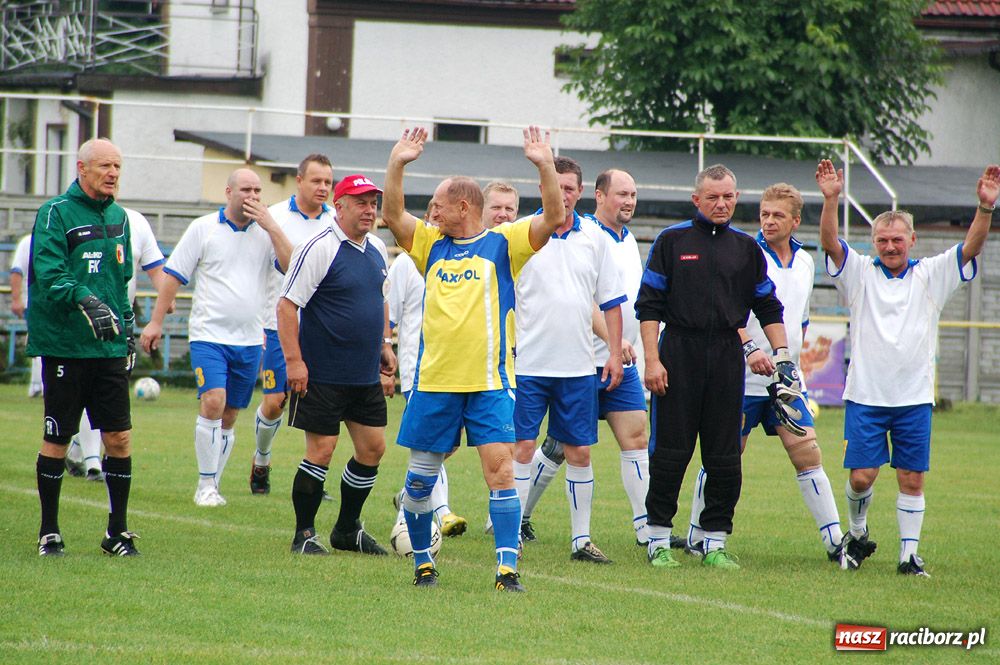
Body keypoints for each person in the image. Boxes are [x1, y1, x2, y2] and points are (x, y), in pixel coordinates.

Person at [382, 125, 564, 591]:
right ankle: (424, 564)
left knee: (500, 471)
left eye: (439, 204)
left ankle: (507, 570)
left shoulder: (505, 243)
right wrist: (398, 162)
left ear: (464, 207)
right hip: (434, 382)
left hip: (490, 383)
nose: (432, 211)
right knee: (420, 482)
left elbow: (553, 214)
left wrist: (545, 164)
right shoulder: (429, 245)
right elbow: (392, 212)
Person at [816, 159, 998, 576]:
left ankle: (908, 557)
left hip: (913, 398)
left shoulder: (931, 275)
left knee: (911, 479)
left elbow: (970, 248)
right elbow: (829, 243)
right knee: (861, 478)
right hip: (865, 395)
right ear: (873, 241)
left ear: (912, 239)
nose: (890, 246)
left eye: (897, 239)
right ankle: (858, 534)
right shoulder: (859, 273)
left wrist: (985, 209)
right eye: (882, 240)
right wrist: (831, 199)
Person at [636, 164, 798, 570]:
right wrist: (652, 360)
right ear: (697, 200)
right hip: (678, 353)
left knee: (725, 456)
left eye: (728, 196)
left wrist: (782, 355)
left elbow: (767, 306)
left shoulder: (745, 249)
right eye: (713, 197)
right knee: (671, 452)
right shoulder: (671, 242)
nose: (721, 204)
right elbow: (649, 306)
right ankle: (658, 538)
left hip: (728, 357)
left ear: (736, 197)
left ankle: (715, 542)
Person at [684, 182, 846, 564]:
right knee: (725, 457)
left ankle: (836, 542)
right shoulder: (743, 252)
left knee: (807, 453)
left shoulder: (806, 261)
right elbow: (725, 310)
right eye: (764, 214)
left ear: (794, 220)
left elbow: (800, 321)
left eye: (777, 215)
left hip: (783, 381)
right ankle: (695, 534)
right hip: (737, 377)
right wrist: (750, 348)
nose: (769, 221)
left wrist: (792, 365)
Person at [140, 168, 291, 507]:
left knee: (231, 413)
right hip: (209, 335)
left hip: (251, 339)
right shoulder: (203, 228)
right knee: (213, 401)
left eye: (257, 190)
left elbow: (290, 263)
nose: (253, 196)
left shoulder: (266, 233)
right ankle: (205, 485)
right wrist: (155, 321)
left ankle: (214, 484)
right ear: (228, 192)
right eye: (246, 190)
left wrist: (273, 226)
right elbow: (173, 277)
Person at [520, 169, 651, 547]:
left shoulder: (625, 242)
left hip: (616, 360)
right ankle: (516, 518)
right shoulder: (546, 233)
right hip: (575, 359)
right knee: (556, 446)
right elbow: (585, 300)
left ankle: (647, 531)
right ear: (598, 195)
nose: (628, 201)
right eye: (621, 194)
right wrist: (612, 340)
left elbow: (616, 299)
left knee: (633, 436)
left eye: (633, 194)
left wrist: (624, 346)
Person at [28, 138, 139, 556]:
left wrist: (127, 326)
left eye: (117, 166)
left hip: (108, 350)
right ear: (82, 168)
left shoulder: (120, 218)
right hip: (66, 346)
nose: (112, 173)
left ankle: (117, 533)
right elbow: (50, 274)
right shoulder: (55, 213)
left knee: (120, 438)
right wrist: (85, 299)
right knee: (58, 439)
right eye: (105, 166)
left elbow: (120, 279)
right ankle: (49, 531)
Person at [277, 173, 395, 556]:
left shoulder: (377, 247)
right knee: (322, 449)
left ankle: (347, 530)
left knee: (373, 449)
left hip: (363, 375)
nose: (369, 209)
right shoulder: (318, 246)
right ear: (339, 206)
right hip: (323, 373)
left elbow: (380, 299)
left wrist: (385, 344)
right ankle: (304, 535)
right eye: (360, 202)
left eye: (373, 203)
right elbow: (287, 306)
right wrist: (294, 362)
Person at [249, 154, 336, 496]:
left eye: (328, 182)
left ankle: (314, 477)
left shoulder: (335, 222)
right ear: (299, 181)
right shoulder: (277, 217)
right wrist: (271, 226)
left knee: (320, 407)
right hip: (278, 324)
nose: (323, 188)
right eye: (316, 181)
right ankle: (261, 460)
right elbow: (289, 266)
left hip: (322, 330)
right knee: (275, 402)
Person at [66, 205, 171, 481]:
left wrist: (166, 295)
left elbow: (156, 267)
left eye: (115, 169)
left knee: (108, 396)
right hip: (81, 321)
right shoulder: (71, 217)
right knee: (89, 391)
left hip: (120, 324)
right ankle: (92, 463)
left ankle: (79, 451)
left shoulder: (135, 221)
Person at [8, 233, 43, 397]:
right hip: (35, 302)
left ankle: (42, 385)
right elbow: (17, 270)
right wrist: (16, 299)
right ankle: (38, 386)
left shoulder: (63, 238)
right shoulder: (28, 242)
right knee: (39, 342)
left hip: (59, 302)